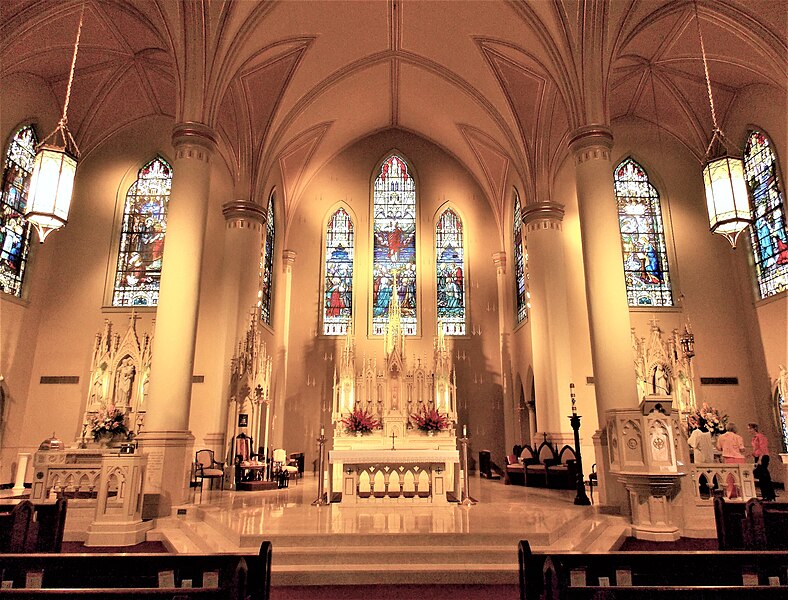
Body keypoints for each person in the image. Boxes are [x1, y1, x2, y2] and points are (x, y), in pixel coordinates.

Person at [748, 422, 776, 501]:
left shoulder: (760, 436)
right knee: (761, 477)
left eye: (750, 429)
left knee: (764, 476)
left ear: (754, 429)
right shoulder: (754, 438)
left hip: (763, 457)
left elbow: (763, 448)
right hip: (758, 457)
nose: (749, 431)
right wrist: (751, 454)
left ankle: (769, 495)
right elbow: (756, 449)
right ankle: (765, 495)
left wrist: (760, 459)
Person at [717, 423, 745, 499]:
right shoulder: (738, 437)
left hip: (728, 458)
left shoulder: (721, 437)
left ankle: (730, 494)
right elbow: (742, 448)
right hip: (738, 458)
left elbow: (719, 448)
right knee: (739, 477)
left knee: (729, 478)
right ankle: (741, 494)